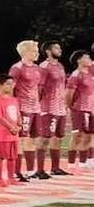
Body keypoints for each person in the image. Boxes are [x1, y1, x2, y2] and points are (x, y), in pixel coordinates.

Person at [9, 40, 46, 180]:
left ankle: (31, 171)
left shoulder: (37, 68)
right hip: (23, 107)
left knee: (32, 139)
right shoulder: (17, 68)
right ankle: (16, 171)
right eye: (33, 50)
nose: (37, 53)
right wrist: (13, 109)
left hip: (35, 108)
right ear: (24, 52)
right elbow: (10, 88)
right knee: (22, 139)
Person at [38, 41, 71, 176]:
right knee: (44, 138)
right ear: (48, 51)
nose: (60, 50)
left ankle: (55, 168)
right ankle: (39, 170)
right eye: (56, 48)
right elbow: (39, 88)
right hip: (48, 108)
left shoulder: (60, 66)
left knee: (58, 137)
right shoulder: (44, 67)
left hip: (60, 108)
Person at [66, 50, 94, 171]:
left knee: (89, 136)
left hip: (91, 109)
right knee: (78, 135)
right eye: (86, 57)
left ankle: (85, 162)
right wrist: (72, 107)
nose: (89, 59)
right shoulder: (76, 75)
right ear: (79, 60)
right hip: (80, 109)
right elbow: (69, 94)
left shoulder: (90, 73)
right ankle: (71, 163)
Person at [0, 74, 21, 187]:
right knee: (0, 156)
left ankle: (11, 177)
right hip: (2, 134)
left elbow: (18, 114)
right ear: (0, 85)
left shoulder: (14, 100)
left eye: (12, 84)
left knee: (12, 157)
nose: (11, 86)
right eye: (8, 84)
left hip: (13, 134)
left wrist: (19, 125)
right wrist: (11, 127)